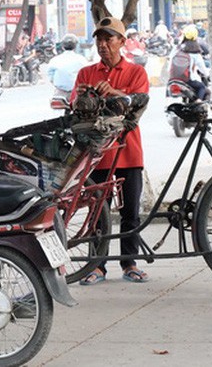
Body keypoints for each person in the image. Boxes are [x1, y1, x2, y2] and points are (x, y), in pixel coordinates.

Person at [69, 17, 150, 285]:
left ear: (122, 42)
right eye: (99, 39)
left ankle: (129, 263)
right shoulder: (86, 73)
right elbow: (73, 106)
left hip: (128, 152)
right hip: (96, 155)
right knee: (97, 213)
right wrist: (84, 97)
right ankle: (97, 266)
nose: (103, 45)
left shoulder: (136, 73)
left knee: (130, 213)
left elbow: (136, 104)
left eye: (109, 39)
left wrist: (113, 92)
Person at [169, 24, 210, 101]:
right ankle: (198, 102)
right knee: (202, 87)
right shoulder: (195, 51)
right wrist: (207, 75)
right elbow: (202, 69)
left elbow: (169, 63)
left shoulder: (177, 48)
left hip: (173, 80)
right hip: (188, 80)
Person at [46, 34, 88, 99]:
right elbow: (87, 75)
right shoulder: (82, 60)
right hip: (78, 93)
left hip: (60, 92)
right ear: (75, 46)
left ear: (62, 46)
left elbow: (50, 76)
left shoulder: (55, 60)